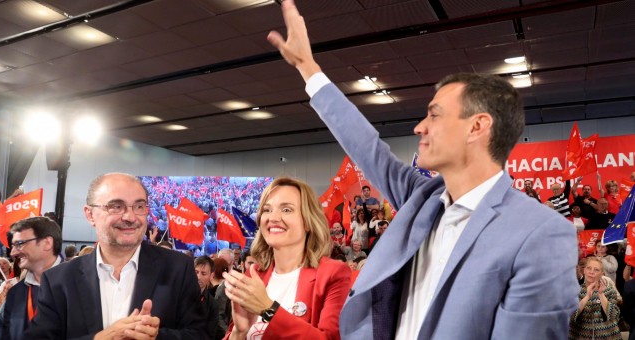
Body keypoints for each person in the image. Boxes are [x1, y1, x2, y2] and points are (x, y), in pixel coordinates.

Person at [266, 1, 577, 338]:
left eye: (434, 114)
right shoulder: (423, 198)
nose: (419, 127)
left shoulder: (541, 233)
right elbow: (366, 147)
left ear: (477, 127)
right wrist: (308, 68)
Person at [25, 172, 208, 338]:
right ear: (90, 215)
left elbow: (200, 335)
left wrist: (154, 337)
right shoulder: (58, 280)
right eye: (116, 206)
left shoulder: (178, 268)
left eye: (139, 206)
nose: (130, 216)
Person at [222, 177, 351, 339]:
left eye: (286, 210)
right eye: (267, 210)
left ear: (308, 221)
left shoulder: (333, 274)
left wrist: (268, 309)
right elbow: (233, 334)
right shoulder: (253, 275)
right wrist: (239, 332)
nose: (273, 218)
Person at [0, 216, 63, 340]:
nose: (13, 253)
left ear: (46, 243)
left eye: (19, 244)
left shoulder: (81, 285)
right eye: (12, 246)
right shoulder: (15, 293)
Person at [569, 257, 621, 339]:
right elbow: (570, 317)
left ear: (602, 273)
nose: (591, 272)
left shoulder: (610, 291)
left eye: (596, 270)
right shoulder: (574, 291)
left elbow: (614, 316)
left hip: (608, 337)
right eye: (589, 268)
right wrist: (587, 296)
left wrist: (601, 294)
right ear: (584, 270)